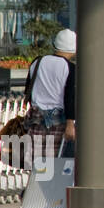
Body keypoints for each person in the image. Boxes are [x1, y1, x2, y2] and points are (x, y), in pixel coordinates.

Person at [26, 29, 77, 162]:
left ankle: (36, 182)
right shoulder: (69, 67)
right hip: (58, 121)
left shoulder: (37, 62)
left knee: (36, 162)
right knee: (54, 162)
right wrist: (70, 124)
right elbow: (70, 97)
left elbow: (28, 90)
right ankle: (49, 183)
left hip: (36, 117)